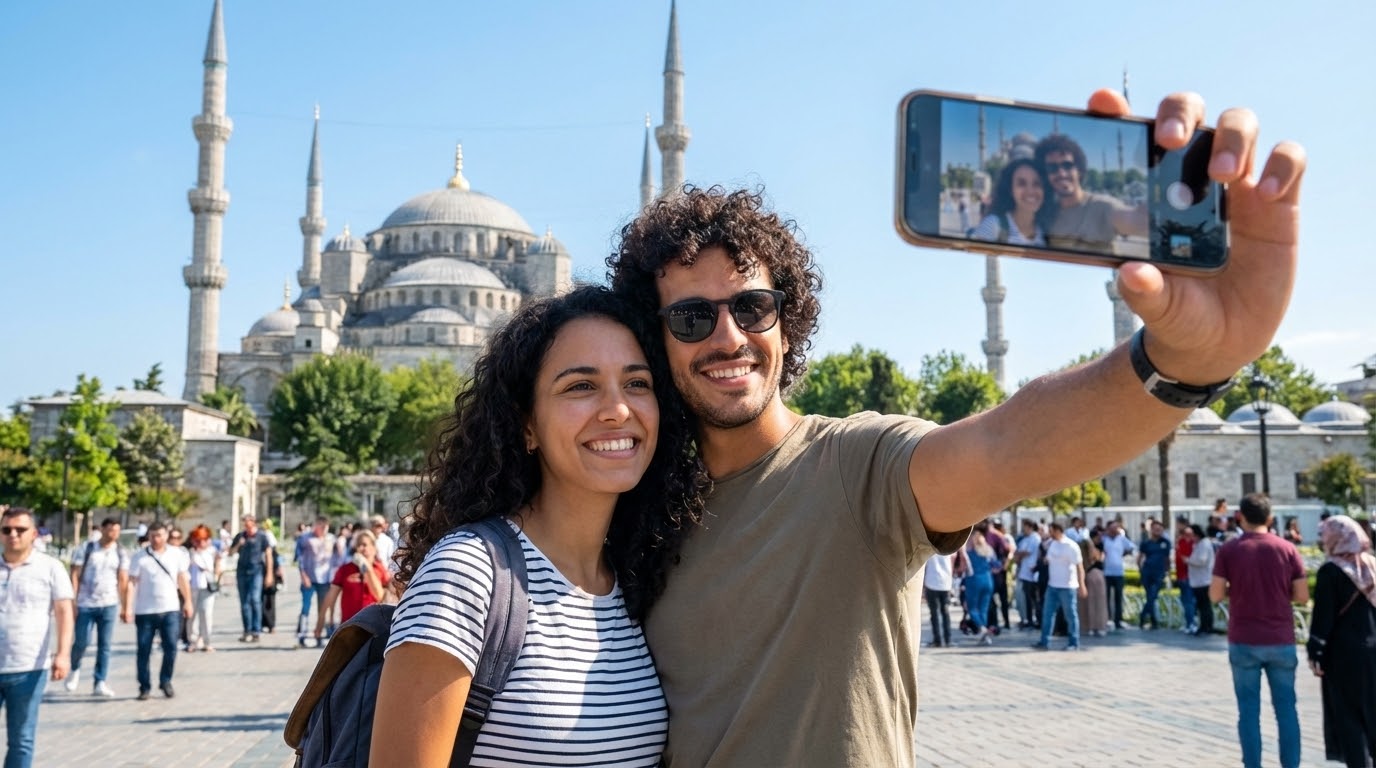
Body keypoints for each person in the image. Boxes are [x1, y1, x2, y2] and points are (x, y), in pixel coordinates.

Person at [605, 86, 1304, 765]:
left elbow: (1008, 443)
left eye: (752, 307)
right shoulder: (633, 509)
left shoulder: (854, 468)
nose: (728, 336)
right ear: (655, 341)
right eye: (692, 318)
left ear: (786, 325)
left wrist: (1186, 360)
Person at [372, 286, 707, 767]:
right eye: (580, 386)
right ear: (527, 425)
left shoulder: (631, 583)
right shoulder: (467, 572)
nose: (618, 409)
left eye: (637, 383)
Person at [1211, 493, 1308, 768]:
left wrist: (1237, 590)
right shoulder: (1287, 549)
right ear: (1270, 518)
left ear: (1239, 517)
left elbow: (1215, 595)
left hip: (1244, 638)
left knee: (1248, 712)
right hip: (1280, 638)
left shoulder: (1230, 550)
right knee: (1286, 710)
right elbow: (1302, 596)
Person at [0, 507, 73, 768]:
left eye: (20, 529)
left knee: (21, 739)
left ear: (33, 534)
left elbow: (64, 611)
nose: (13, 535)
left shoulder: (50, 567)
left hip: (29, 667)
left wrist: (63, 654)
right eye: (7, 529)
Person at [1305, 515, 1376, 768]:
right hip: (1372, 648)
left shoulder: (1331, 570)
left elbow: (1323, 617)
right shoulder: (1371, 565)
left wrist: (1316, 651)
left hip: (1343, 655)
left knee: (1348, 715)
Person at [1035, 132, 1147, 254]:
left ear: (1079, 170)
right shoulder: (1047, 213)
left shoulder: (1102, 206)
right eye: (1052, 168)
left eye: (1067, 165)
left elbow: (1135, 220)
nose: (1061, 173)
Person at [123, 521, 192, 700]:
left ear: (166, 536)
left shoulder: (176, 554)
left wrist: (188, 602)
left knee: (171, 647)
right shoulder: (139, 557)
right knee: (143, 650)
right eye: (153, 536)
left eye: (159, 535)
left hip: (170, 609)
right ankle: (144, 686)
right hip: (145, 610)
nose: (156, 539)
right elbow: (131, 583)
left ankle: (165, 680)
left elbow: (182, 578)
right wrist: (127, 607)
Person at [66, 516, 128, 697]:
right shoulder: (87, 548)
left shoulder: (120, 552)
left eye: (117, 530)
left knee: (105, 645)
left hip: (109, 603)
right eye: (111, 529)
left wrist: (125, 606)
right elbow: (75, 574)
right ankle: (75, 668)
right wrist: (73, 600)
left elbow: (122, 579)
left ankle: (100, 681)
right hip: (85, 602)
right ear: (102, 529)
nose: (114, 534)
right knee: (82, 641)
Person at [970, 158, 1054, 246]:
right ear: (1010, 190)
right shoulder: (992, 226)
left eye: (1037, 183)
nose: (1030, 191)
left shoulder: (1045, 231)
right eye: (1021, 184)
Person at [317, 529, 388, 629]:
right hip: (349, 626)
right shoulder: (345, 569)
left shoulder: (380, 570)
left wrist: (367, 568)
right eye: (358, 545)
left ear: (373, 547)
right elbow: (331, 596)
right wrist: (322, 619)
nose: (360, 548)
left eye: (364, 545)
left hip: (374, 626)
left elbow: (380, 596)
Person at [1033, 522, 1086, 651]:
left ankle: (1074, 642)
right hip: (1053, 585)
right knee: (1047, 614)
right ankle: (1044, 641)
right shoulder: (1053, 544)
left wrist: (1082, 585)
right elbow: (1048, 559)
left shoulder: (1071, 546)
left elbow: (1079, 567)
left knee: (1070, 615)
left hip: (1068, 586)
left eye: (1051, 531)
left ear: (1058, 530)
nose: (1050, 534)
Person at [228, 514, 275, 642]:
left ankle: (256, 631)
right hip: (242, 571)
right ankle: (247, 630)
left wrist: (269, 574)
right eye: (244, 523)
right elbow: (230, 552)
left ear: (253, 522)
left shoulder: (261, 536)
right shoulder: (240, 536)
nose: (246, 525)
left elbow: (268, 554)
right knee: (244, 603)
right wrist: (238, 545)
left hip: (256, 571)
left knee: (255, 600)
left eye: (248, 523)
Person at [294, 516, 335, 648]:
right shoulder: (305, 538)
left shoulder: (331, 539)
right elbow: (299, 558)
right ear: (316, 526)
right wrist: (303, 575)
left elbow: (338, 556)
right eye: (321, 527)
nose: (323, 530)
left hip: (325, 579)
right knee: (305, 607)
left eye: (326, 527)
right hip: (309, 577)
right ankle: (302, 634)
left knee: (322, 609)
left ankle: (319, 634)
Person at [185, 525, 222, 652]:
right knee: (192, 615)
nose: (201, 543)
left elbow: (218, 566)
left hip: (207, 586)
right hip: (192, 586)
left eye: (204, 539)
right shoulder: (189, 552)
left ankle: (206, 641)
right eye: (198, 540)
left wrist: (216, 576)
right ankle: (192, 641)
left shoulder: (212, 551)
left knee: (206, 614)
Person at [961, 522, 997, 646]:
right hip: (988, 580)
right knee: (983, 609)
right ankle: (984, 635)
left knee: (972, 609)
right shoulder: (989, 550)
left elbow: (963, 566)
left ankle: (982, 629)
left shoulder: (969, 552)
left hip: (974, 580)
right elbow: (996, 565)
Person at [1100, 519, 1135, 631]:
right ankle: (1107, 619)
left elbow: (1131, 547)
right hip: (1107, 572)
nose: (1115, 530)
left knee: (1118, 597)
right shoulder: (1104, 539)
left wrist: (1123, 554)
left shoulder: (1121, 539)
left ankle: (1118, 620)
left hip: (1119, 572)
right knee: (1106, 597)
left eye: (1116, 528)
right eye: (1113, 528)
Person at [1138, 520, 1171, 629]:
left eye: (1160, 529)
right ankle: (1153, 620)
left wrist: (1168, 571)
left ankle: (1143, 615)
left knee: (1152, 596)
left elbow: (1167, 559)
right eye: (1156, 529)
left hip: (1159, 572)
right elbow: (1140, 557)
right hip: (1147, 572)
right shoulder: (1146, 543)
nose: (1158, 531)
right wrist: (1140, 570)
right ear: (1151, 530)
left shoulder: (1165, 543)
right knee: (1149, 596)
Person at [1185, 523, 1217, 636]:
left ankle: (1206, 626)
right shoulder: (1199, 544)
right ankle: (1205, 625)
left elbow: (1202, 560)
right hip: (1199, 580)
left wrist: (1188, 561)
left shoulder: (1204, 544)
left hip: (1204, 580)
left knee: (1204, 605)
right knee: (1202, 605)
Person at [1079, 529, 1108, 637]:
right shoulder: (1094, 547)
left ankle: (1088, 626)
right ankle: (1099, 626)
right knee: (1099, 603)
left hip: (1086, 575)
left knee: (1086, 603)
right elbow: (1099, 559)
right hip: (1096, 574)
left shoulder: (1082, 546)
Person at [922, 553, 954, 648]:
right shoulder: (948, 547)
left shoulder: (930, 547)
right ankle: (948, 639)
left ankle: (937, 640)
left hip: (932, 582)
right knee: (945, 613)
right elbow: (952, 561)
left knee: (934, 613)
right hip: (945, 583)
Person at [1014, 519, 1042, 629]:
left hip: (1031, 573)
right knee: (1026, 599)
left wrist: (1019, 554)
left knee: (1032, 599)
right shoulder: (1025, 539)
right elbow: (1018, 552)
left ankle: (1036, 620)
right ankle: (1028, 619)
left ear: (1030, 527)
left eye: (1025, 527)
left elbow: (1026, 552)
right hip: (1024, 572)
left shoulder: (1035, 538)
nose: (1023, 529)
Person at [1174, 515, 1197, 634]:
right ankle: (1188, 622)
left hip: (1188, 575)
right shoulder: (1179, 539)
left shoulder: (1189, 539)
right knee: (1185, 600)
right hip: (1181, 574)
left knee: (1188, 601)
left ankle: (1191, 623)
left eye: (1179, 524)